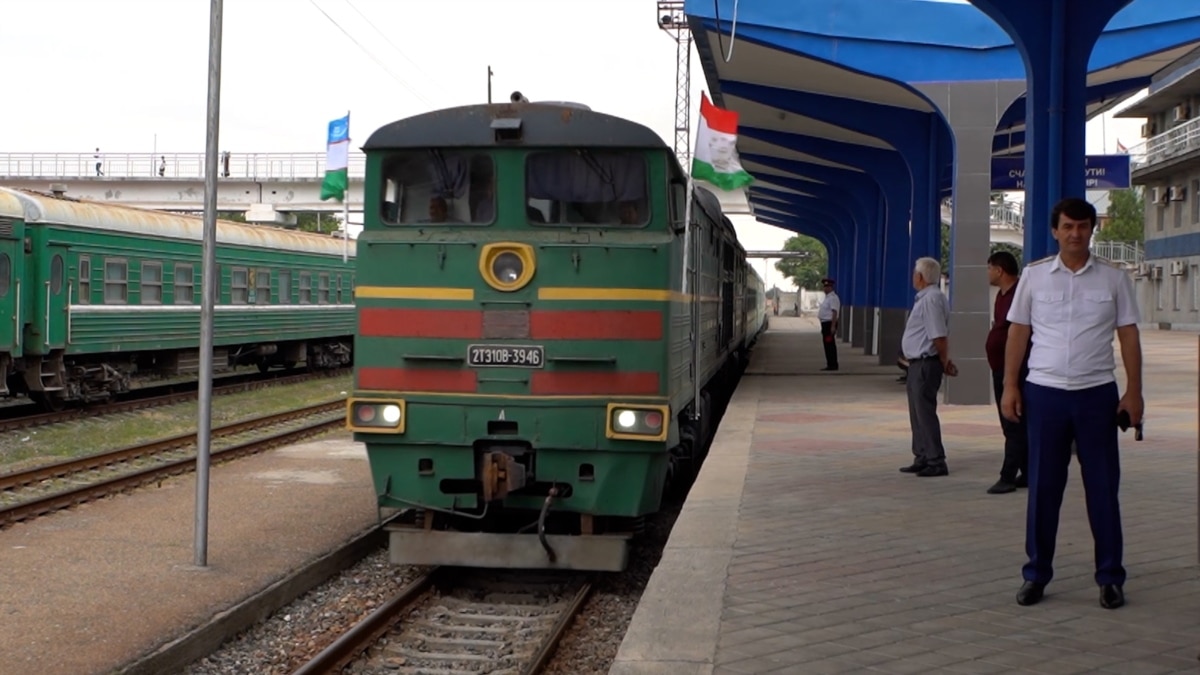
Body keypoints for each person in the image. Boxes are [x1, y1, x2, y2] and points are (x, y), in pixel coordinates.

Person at [1002, 197, 1142, 611]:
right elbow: (1017, 333)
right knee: (1043, 488)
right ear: (1055, 230)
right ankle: (1036, 574)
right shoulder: (1034, 276)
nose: (1075, 234)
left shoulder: (1114, 279)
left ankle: (1110, 577)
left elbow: (1129, 335)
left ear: (1092, 230)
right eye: (1068, 227)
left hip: (1096, 393)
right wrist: (1011, 386)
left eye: (1083, 227)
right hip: (1044, 394)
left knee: (1102, 489)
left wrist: (1134, 392)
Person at [899, 257, 958, 477]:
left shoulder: (931, 299)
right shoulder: (925, 298)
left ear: (920, 277)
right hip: (917, 363)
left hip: (926, 362)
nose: (913, 276)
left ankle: (936, 460)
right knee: (916, 413)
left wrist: (944, 361)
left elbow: (938, 335)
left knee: (925, 413)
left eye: (915, 273)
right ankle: (922, 455)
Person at [985, 250, 1029, 494]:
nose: (987, 273)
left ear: (999, 270)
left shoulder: (1019, 295)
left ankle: (1007, 475)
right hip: (999, 367)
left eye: (989, 268)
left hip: (1014, 370)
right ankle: (1029, 471)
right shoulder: (1001, 296)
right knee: (1011, 423)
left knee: (1012, 421)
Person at [816, 278, 840, 371]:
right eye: (824, 287)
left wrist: (833, 326)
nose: (825, 289)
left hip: (829, 324)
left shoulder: (833, 298)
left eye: (827, 287)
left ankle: (833, 364)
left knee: (829, 344)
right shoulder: (828, 298)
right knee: (827, 344)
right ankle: (830, 363)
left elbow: (834, 312)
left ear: (831, 287)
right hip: (825, 324)